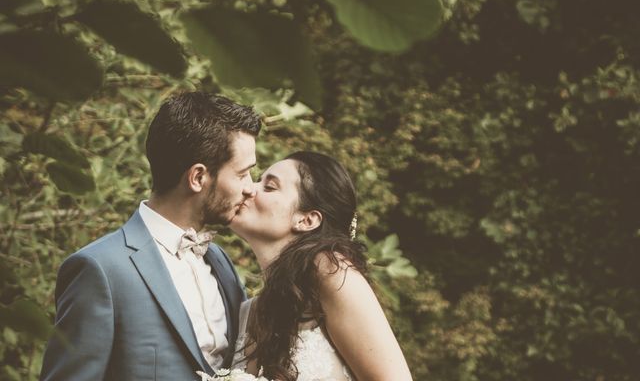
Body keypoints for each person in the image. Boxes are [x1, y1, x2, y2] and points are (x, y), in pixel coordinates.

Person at [40, 92, 262, 381]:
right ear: (198, 177)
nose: (251, 188)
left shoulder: (220, 262)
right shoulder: (100, 270)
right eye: (243, 174)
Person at [230, 151, 413, 381]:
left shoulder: (331, 270)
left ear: (306, 220)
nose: (249, 189)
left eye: (269, 187)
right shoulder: (251, 311)